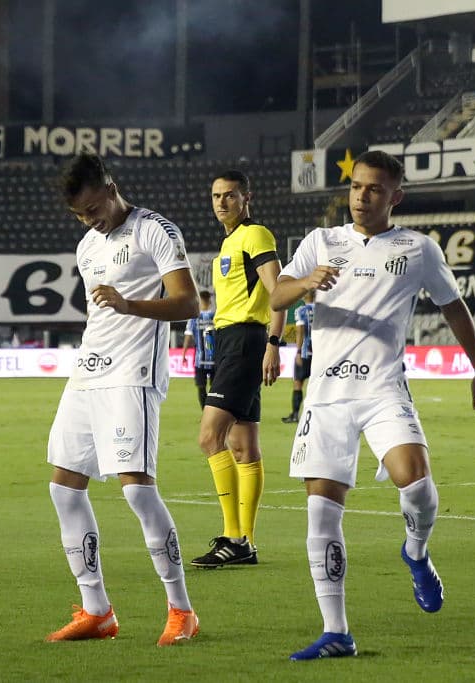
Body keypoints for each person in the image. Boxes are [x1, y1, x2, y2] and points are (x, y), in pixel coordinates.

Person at [269, 150, 475, 661]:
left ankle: (415, 551)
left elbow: (453, 307)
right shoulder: (321, 242)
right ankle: (337, 632)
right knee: (321, 516)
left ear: (396, 196)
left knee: (416, 481)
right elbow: (277, 297)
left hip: (382, 390)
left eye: (373, 189)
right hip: (326, 397)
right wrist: (305, 283)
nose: (361, 197)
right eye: (355, 187)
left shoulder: (417, 249)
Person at [45, 153, 201, 646]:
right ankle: (97, 612)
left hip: (133, 374)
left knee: (136, 489)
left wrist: (130, 303)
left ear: (111, 187)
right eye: (79, 215)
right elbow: (100, 315)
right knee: (64, 488)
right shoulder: (87, 246)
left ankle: (182, 610)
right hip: (87, 373)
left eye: (93, 208)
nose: (89, 219)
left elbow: (189, 303)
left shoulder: (155, 229)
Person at [190, 170, 286, 568]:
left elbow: (278, 289)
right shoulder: (228, 243)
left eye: (230, 195)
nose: (221, 202)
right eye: (216, 195)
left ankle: (233, 536)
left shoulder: (255, 235)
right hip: (231, 342)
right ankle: (246, 542)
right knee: (243, 447)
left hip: (246, 341)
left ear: (247, 197)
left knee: (210, 437)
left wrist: (273, 345)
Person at [282, 292, 315, 424]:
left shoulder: (301, 310)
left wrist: (298, 352)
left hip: (305, 352)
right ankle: (314, 416)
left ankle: (295, 414)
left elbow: (300, 332)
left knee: (298, 383)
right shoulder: (320, 310)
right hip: (320, 352)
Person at [181, 290, 216, 410]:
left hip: (199, 360)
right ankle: (212, 413)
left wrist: (184, 353)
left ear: (200, 301)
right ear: (210, 301)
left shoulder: (194, 317)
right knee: (214, 389)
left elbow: (188, 335)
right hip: (215, 359)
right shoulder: (216, 316)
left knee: (201, 387)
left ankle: (205, 412)